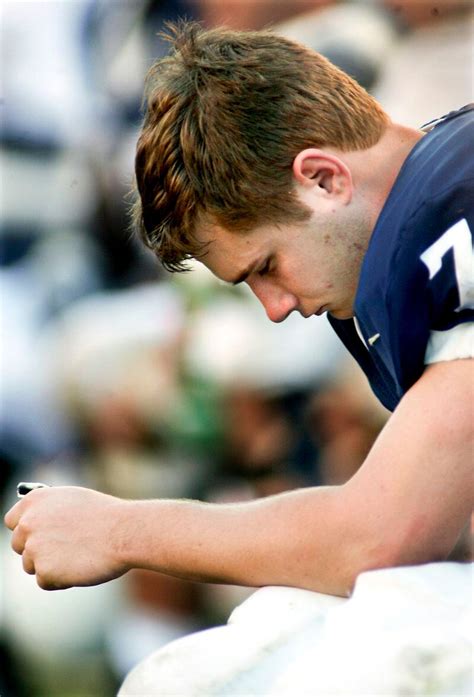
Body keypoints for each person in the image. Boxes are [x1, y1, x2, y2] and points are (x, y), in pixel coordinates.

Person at [4, 22, 473, 598]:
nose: (274, 308)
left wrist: (121, 530)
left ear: (323, 179)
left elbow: (377, 542)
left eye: (266, 266)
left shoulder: (454, 221)